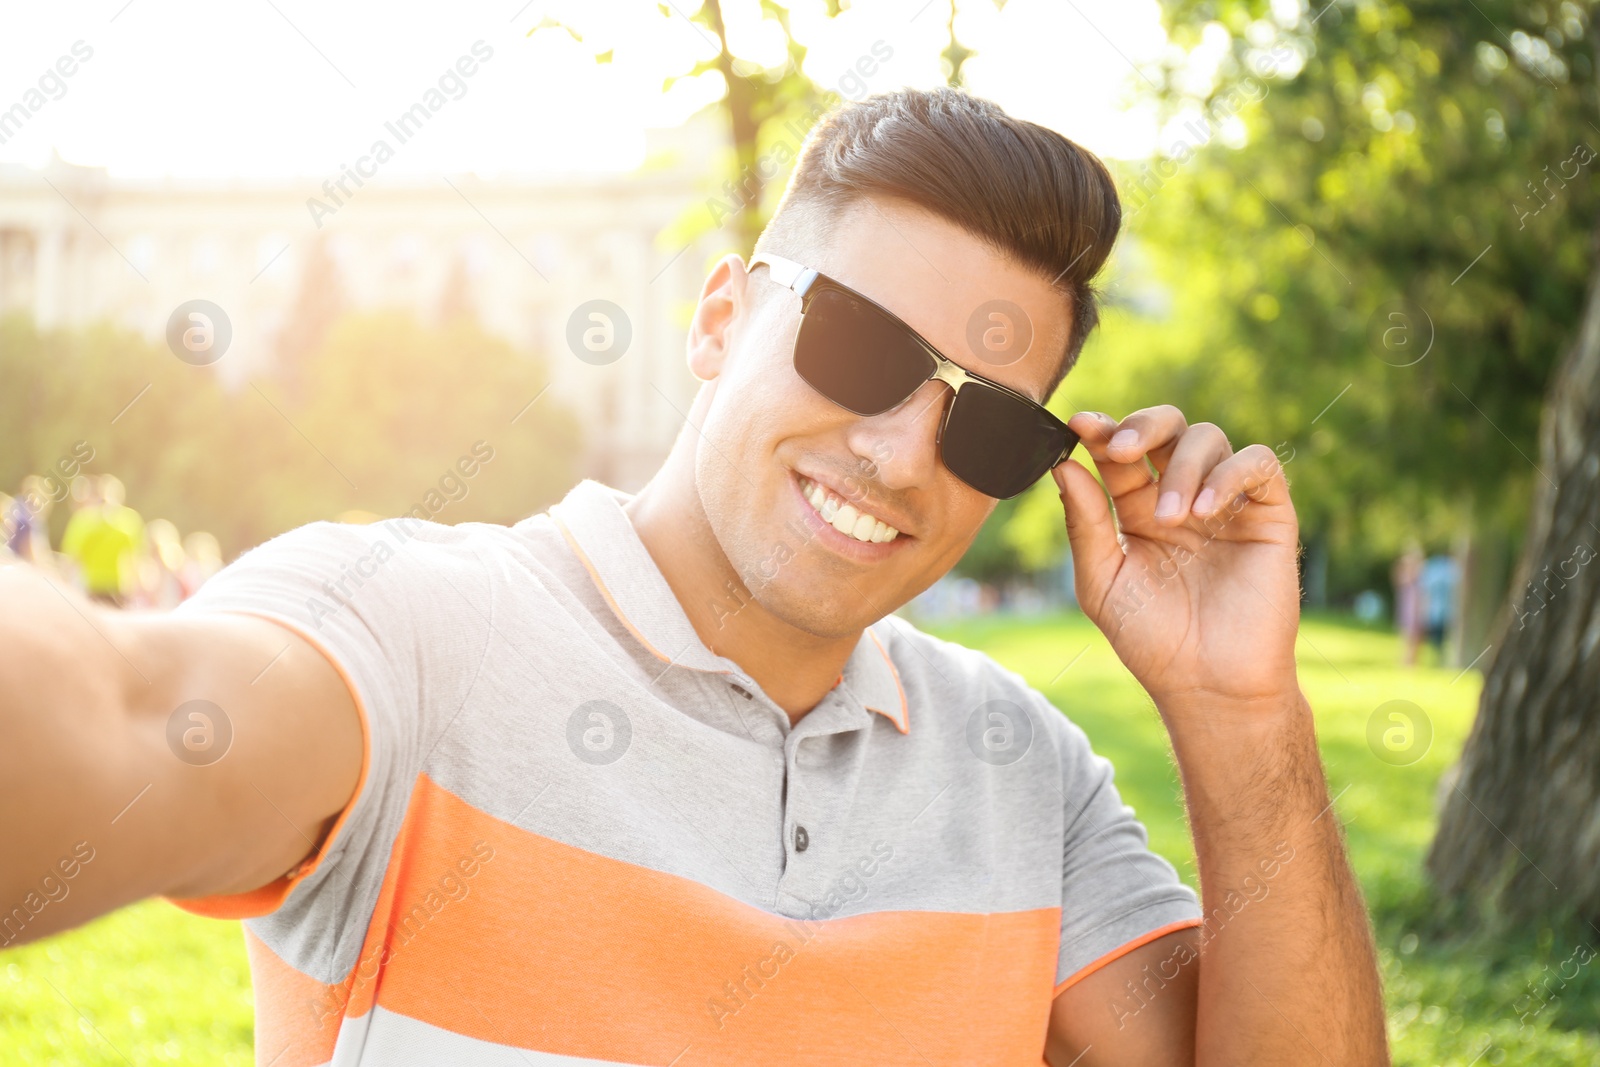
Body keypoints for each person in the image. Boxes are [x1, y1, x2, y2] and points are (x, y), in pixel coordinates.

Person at [0, 88, 1386, 1065]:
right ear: (722, 315)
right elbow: (125, 716)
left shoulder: (1027, 771)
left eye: (990, 424)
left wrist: (1237, 707)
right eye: (857, 345)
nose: (901, 453)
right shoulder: (412, 630)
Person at [58, 474, 145, 606]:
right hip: (118, 588)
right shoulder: (130, 520)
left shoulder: (83, 519)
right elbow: (135, 561)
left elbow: (72, 559)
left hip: (92, 587)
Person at [1419, 552, 1460, 663]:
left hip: (1440, 611)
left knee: (1440, 637)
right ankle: (1439, 658)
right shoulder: (1449, 570)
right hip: (1441, 611)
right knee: (1438, 637)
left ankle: (1439, 658)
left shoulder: (1436, 570)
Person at [1392, 540, 1425, 667]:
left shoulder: (1419, 580)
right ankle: (1408, 662)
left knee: (1417, 638)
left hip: (1416, 610)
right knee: (1408, 637)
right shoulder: (1407, 581)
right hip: (1409, 610)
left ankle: (1413, 662)